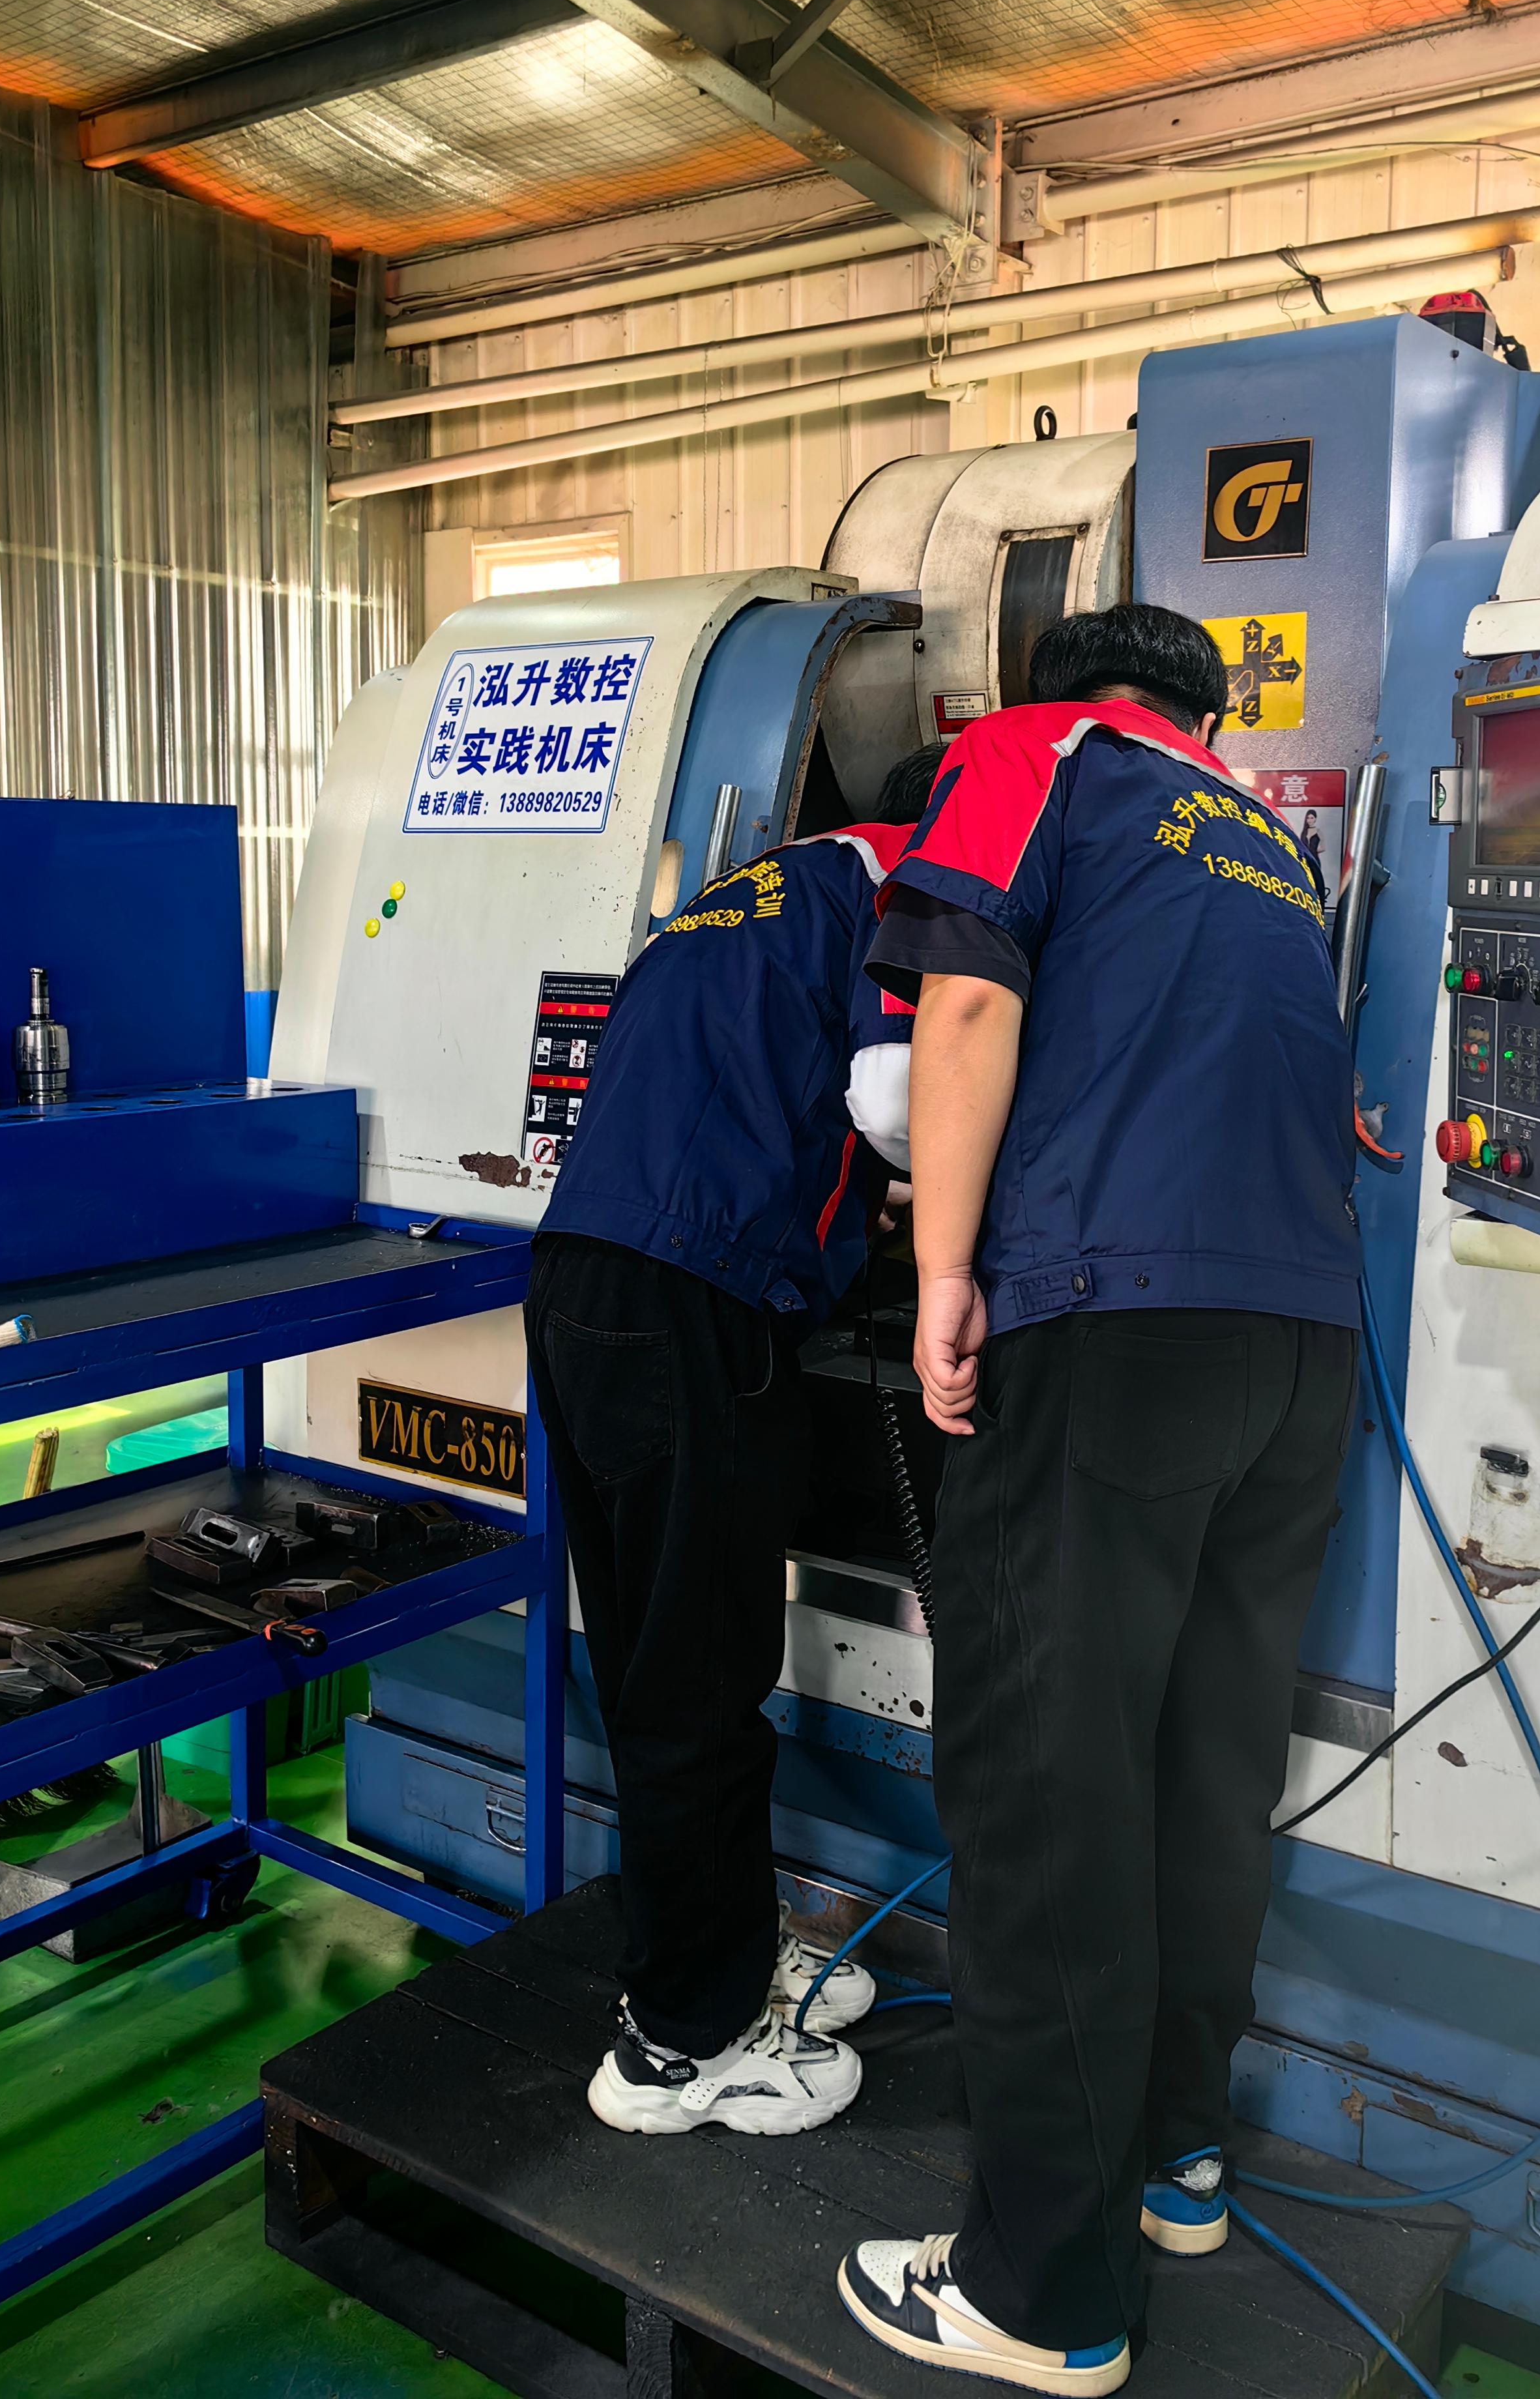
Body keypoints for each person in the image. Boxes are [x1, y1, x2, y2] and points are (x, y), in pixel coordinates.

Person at [834, 609, 1359, 2392]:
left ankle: (1042, 2293)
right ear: (1210, 716)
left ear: (1063, 692)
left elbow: (967, 1000)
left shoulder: (1037, 754)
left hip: (1112, 1328)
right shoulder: (1270, 844)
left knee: (1049, 1792)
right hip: (1298, 1351)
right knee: (1207, 1770)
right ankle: (1176, 2160)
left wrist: (941, 1277)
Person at [524, 740, 949, 2140]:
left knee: (660, 1661)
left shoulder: (748, 887)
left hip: (586, 1281)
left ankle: (717, 1950)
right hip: (689, 1304)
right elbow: (901, 1102)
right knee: (700, 1677)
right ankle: (683, 2041)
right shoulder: (906, 888)